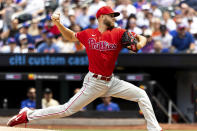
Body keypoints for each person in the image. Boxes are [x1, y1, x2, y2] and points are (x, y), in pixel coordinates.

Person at [7, 6, 163, 131]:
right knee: (65, 110)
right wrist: (58, 24)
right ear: (102, 17)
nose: (114, 18)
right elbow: (70, 37)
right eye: (111, 15)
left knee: (141, 94)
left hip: (111, 81)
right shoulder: (89, 34)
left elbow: (137, 45)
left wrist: (142, 37)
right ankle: (28, 114)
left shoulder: (118, 33)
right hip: (94, 82)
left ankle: (154, 129)